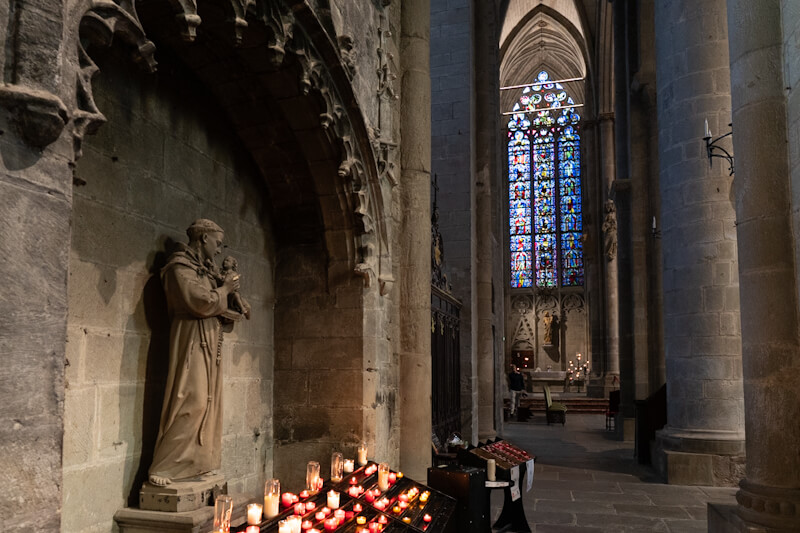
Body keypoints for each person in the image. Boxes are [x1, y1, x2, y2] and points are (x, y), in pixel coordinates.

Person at [147, 219, 242, 487]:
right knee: (191, 399)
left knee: (209, 403)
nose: (220, 249)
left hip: (210, 338)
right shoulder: (180, 267)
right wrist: (225, 290)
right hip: (190, 338)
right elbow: (198, 301)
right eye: (217, 243)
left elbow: (215, 305)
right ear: (202, 239)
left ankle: (198, 463)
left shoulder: (205, 270)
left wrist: (233, 303)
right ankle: (165, 466)